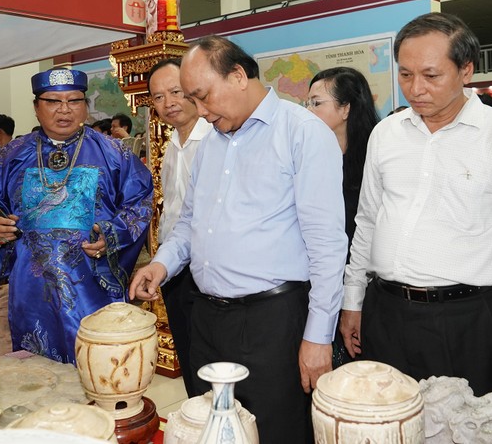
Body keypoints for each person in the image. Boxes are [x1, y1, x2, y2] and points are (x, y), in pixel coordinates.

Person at [129, 36, 347, 443]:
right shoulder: (212, 143)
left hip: (273, 320)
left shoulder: (301, 134)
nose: (202, 110)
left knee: (275, 429)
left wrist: (318, 336)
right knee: (214, 428)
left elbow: (328, 247)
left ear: (238, 75)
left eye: (204, 96)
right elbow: (191, 222)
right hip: (208, 318)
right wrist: (162, 263)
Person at [339, 12, 492, 401]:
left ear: (466, 70)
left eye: (431, 75)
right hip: (385, 312)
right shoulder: (386, 134)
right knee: (389, 426)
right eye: (405, 74)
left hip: (467, 321)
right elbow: (367, 222)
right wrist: (352, 301)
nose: (415, 89)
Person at [0, 68, 154, 364]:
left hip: (92, 287)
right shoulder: (11, 156)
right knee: (35, 380)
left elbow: (140, 201)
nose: (65, 110)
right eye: (54, 101)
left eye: (74, 100)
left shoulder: (114, 154)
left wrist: (112, 234)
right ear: (36, 107)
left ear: (85, 105)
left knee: (97, 370)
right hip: (30, 291)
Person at [147, 58, 212, 398]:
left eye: (175, 91)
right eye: (158, 97)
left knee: (209, 357)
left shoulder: (214, 140)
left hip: (207, 270)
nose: (168, 103)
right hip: (174, 268)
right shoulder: (172, 145)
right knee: (187, 353)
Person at [306, 67, 379, 368]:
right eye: (306, 104)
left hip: (363, 286)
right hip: (316, 283)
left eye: (316, 103)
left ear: (346, 108)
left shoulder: (373, 158)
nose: (308, 111)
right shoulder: (307, 158)